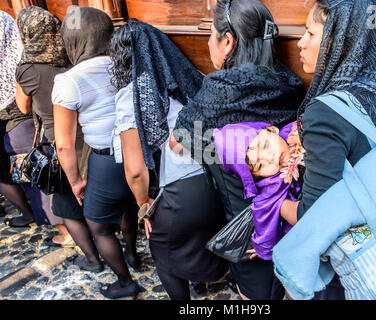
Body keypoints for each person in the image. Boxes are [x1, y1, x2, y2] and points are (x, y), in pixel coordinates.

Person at [278, 0, 376, 299]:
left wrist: (271, 204)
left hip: (354, 273)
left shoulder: (326, 112)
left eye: (311, 33)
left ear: (338, 42)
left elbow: (312, 219)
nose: (300, 42)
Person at [172, 0, 305, 300]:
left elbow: (179, 138)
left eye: (210, 33)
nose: (208, 42)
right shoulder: (291, 83)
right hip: (291, 212)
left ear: (228, 41)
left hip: (248, 225)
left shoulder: (220, 89)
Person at [109, 19, 229, 300]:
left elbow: (136, 171)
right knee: (201, 236)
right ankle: (204, 279)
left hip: (183, 187)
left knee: (162, 247)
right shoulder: (185, 79)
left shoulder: (132, 96)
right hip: (217, 177)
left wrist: (143, 207)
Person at [52, 7, 139, 299]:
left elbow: (64, 144)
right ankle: (133, 253)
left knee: (99, 226)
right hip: (136, 152)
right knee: (128, 204)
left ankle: (126, 283)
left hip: (105, 159)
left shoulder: (69, 80)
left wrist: (76, 181)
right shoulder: (125, 62)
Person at [14, 6, 104, 266]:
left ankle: (93, 260)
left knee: (67, 207)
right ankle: (116, 245)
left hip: (58, 142)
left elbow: (23, 107)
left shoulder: (26, 69)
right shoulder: (71, 56)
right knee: (98, 193)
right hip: (88, 134)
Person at [212, 121, 302, 262]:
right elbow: (264, 228)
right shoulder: (269, 193)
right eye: (260, 165)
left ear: (272, 130)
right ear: (257, 177)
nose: (270, 158)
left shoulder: (297, 132)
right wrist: (262, 248)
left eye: (265, 146)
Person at [0, 10, 54, 229]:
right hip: (27, 121)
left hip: (15, 125)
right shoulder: (22, 57)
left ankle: (42, 218)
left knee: (29, 172)